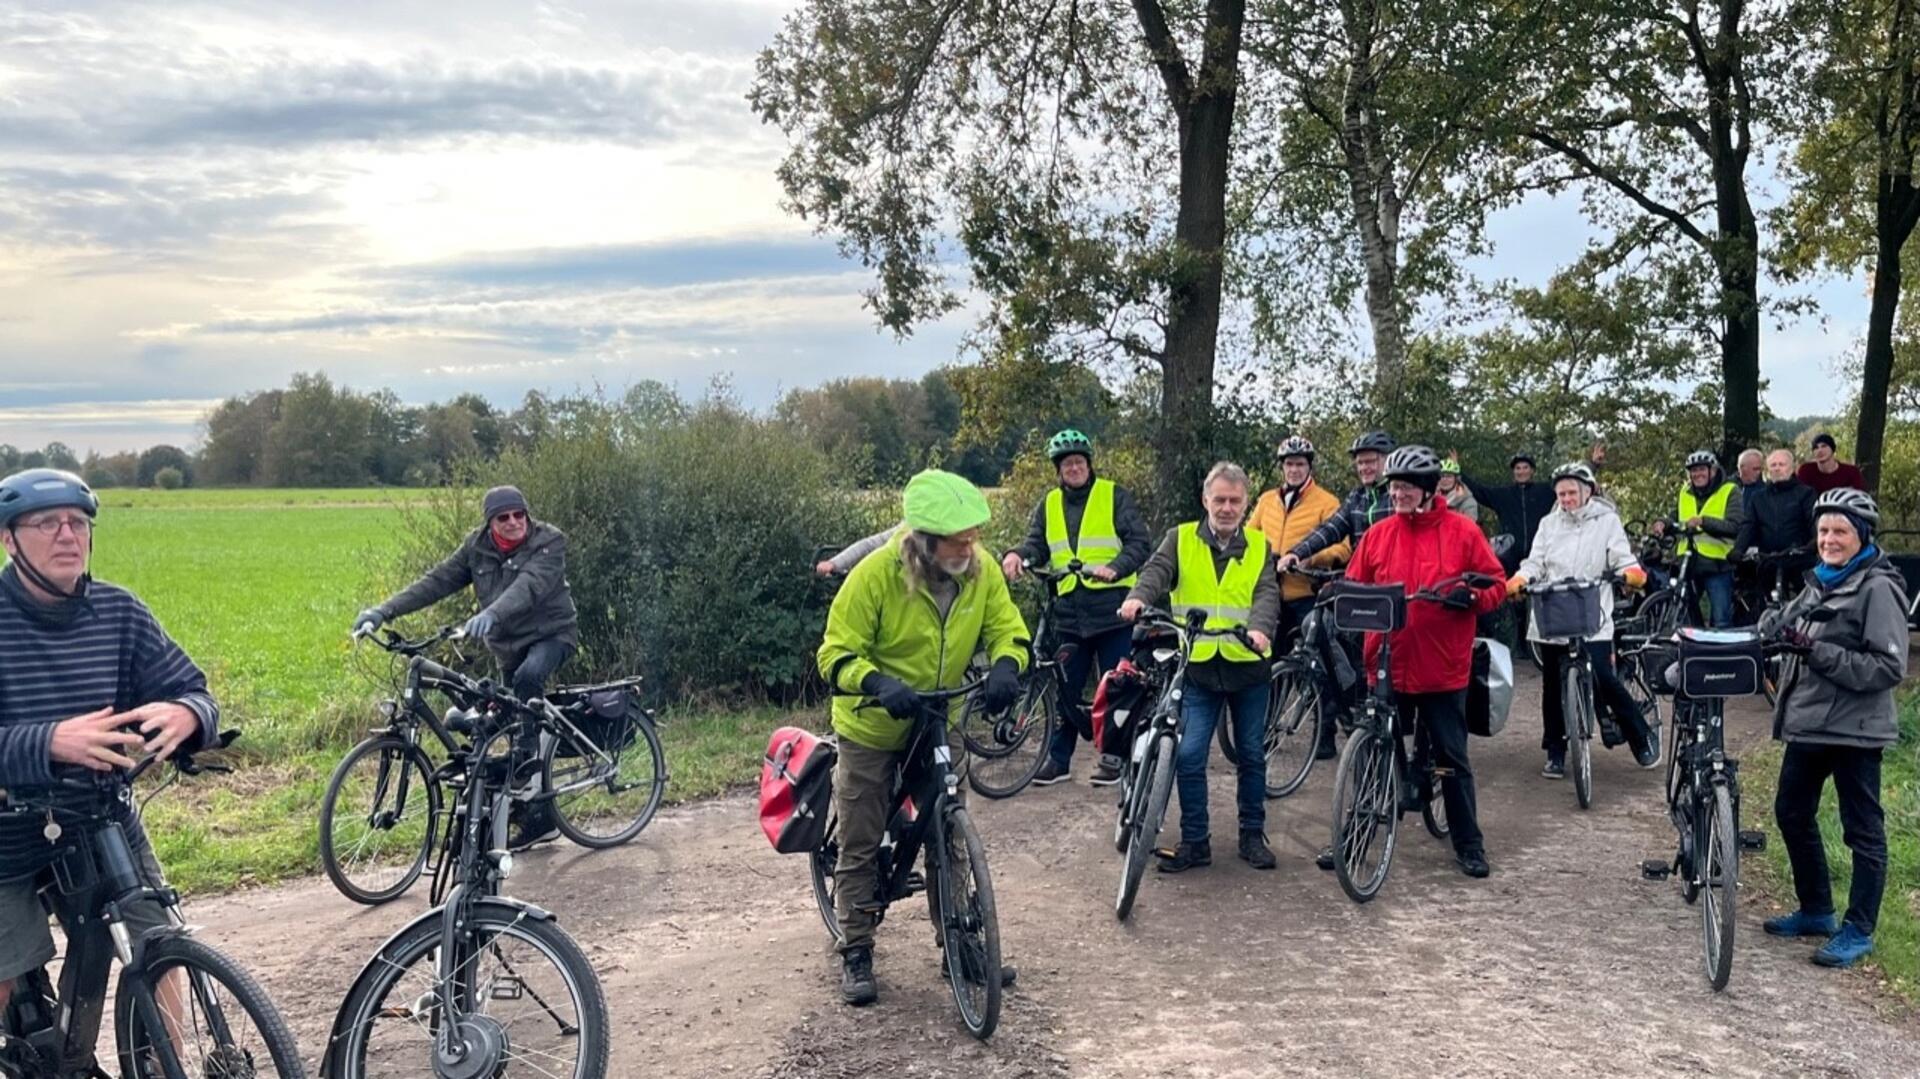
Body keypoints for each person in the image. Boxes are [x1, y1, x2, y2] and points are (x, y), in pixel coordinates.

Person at [0, 469, 217, 1024]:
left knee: (160, 945)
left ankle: (165, 1061)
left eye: (78, 522)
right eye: (46, 523)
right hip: (6, 827)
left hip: (101, 817)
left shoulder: (120, 612)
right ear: (8, 539)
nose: (67, 535)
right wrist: (48, 742)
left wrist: (187, 714)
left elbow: (193, 690)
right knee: (5, 972)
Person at [816, 469, 1028, 1006]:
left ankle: (958, 946)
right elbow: (835, 653)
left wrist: (1007, 663)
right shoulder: (873, 575)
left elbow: (1008, 628)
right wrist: (876, 681)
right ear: (926, 541)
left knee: (946, 830)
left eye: (974, 536)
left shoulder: (979, 572)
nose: (971, 547)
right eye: (960, 539)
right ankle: (857, 947)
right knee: (861, 838)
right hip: (873, 723)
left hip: (938, 716)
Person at [353, 484, 578, 848]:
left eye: (519, 515)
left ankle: (538, 803)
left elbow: (529, 587)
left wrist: (491, 613)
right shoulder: (477, 548)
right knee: (495, 718)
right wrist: (383, 611)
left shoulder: (549, 541)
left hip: (552, 635)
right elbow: (437, 581)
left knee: (528, 682)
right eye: (503, 517)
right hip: (508, 646)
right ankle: (527, 805)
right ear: (490, 522)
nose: (513, 523)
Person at [1336, 446, 1507, 878]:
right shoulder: (1379, 534)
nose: (1398, 494)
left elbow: (1496, 586)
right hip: (1387, 662)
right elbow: (1356, 580)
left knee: (1451, 756)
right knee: (1374, 750)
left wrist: (1468, 596)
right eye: (1394, 487)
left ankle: (1469, 842)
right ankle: (1356, 834)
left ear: (1429, 489)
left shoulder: (1463, 532)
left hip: (1440, 666)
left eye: (1407, 487)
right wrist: (1336, 594)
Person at [1763, 489, 1907, 969]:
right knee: (1791, 811)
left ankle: (1858, 929)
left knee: (1862, 830)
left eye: (1840, 531)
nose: (1829, 539)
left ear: (1861, 536)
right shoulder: (1819, 582)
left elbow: (1887, 667)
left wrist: (1817, 652)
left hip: (1855, 730)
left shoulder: (1878, 587)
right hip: (1811, 722)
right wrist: (1769, 626)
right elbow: (1788, 628)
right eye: (1824, 530)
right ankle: (1817, 910)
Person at [1118, 462, 1280, 873]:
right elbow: (1157, 572)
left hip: (1247, 665)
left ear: (1245, 503)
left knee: (1251, 755)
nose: (1226, 508)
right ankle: (1195, 840)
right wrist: (1139, 597)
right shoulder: (1180, 539)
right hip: (1199, 665)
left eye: (1235, 500)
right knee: (1188, 756)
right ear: (1205, 500)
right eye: (1219, 499)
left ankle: (1251, 834)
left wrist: (1261, 629)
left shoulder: (1260, 546)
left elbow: (1266, 594)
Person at [1002, 429, 1152, 786]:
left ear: (1088, 464)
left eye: (1079, 462)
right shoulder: (1049, 503)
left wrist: (1115, 567)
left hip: (1112, 609)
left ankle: (1114, 758)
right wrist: (1017, 555)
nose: (1073, 468)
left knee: (1117, 686)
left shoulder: (1113, 495)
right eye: (1067, 463)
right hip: (1069, 612)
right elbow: (1035, 543)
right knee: (1064, 688)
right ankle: (1058, 759)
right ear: (1059, 469)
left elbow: (1139, 542)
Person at [1506, 463, 1659, 777]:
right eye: (1561, 493)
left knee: (1604, 675)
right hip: (1553, 612)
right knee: (1552, 685)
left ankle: (1640, 736)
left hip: (1593, 612)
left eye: (1572, 492)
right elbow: (1535, 561)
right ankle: (1555, 750)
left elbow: (1621, 556)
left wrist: (1630, 572)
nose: (1566, 498)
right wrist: (1521, 578)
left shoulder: (1606, 521)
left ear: (1587, 491)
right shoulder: (1548, 524)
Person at [1250, 436, 1349, 760]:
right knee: (1267, 662)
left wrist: (1311, 559)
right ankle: (1264, 728)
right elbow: (1248, 536)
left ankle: (1324, 734)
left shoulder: (1326, 501)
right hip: (1270, 594)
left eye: (1300, 464)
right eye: (1289, 464)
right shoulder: (1266, 500)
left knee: (1318, 665)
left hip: (1306, 593)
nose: (1294, 469)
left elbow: (1342, 547)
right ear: (1282, 467)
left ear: (1309, 467)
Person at [1275, 430, 1396, 574]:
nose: (1364, 468)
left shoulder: (1398, 497)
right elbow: (1330, 529)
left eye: (1370, 461)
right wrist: (1296, 553)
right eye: (1360, 463)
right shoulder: (1357, 498)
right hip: (1364, 580)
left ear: (1387, 460)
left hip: (1396, 575)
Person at [1653, 450, 1745, 628]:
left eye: (1702, 469)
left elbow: (1735, 527)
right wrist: (1663, 523)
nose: (1697, 474)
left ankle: (1723, 654)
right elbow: (1676, 516)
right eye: (1693, 471)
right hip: (1688, 563)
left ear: (1714, 470)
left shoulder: (1730, 491)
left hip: (1717, 564)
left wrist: (1704, 522)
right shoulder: (1685, 491)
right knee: (1686, 616)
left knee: (1720, 619)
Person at [1737, 448, 1817, 594]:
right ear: (1767, 470)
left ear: (1792, 468)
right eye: (1773, 465)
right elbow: (1748, 526)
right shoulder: (1758, 498)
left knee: (1806, 603)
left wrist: (1813, 545)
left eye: (1782, 464)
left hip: (1799, 558)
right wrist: (1738, 550)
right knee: (1763, 604)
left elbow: (1814, 523)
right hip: (1769, 559)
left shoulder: (1806, 493)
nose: (1777, 468)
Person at [1457, 452, 1554, 568]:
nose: (1521, 471)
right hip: (1509, 558)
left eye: (1525, 468)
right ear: (1513, 472)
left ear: (1532, 471)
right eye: (1518, 468)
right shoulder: (1504, 494)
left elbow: (1567, 490)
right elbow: (1479, 491)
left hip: (1539, 555)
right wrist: (1458, 472)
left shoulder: (1545, 491)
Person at [1796, 433, 1867, 495]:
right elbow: (1799, 496)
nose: (1820, 450)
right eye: (1816, 448)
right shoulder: (1806, 471)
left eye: (1824, 446)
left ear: (1832, 449)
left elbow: (1860, 497)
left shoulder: (1851, 472)